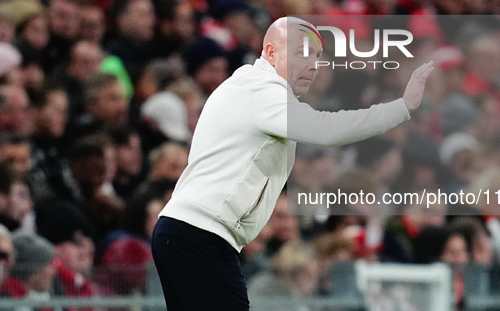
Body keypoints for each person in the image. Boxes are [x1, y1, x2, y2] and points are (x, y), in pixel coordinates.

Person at [151, 17, 434, 311]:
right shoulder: (263, 90)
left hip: (186, 231)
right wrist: (400, 108)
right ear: (271, 53)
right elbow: (326, 129)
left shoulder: (246, 87)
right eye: (302, 53)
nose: (313, 65)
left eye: (317, 57)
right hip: (201, 235)